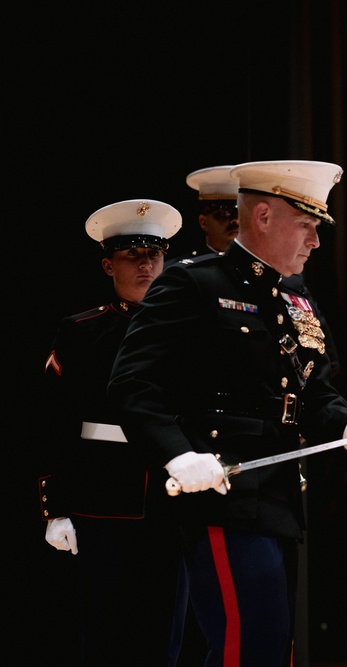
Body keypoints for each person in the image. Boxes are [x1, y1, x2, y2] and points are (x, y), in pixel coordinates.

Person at [108, 160, 347, 666]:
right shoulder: (191, 283)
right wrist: (178, 455)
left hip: (281, 492)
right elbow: (132, 384)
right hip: (221, 491)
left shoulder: (295, 295)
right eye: (306, 225)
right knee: (248, 640)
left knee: (272, 640)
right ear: (262, 216)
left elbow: (316, 390)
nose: (315, 241)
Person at [39, 199, 189, 665]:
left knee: (168, 634)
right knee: (104, 634)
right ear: (108, 264)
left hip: (173, 497)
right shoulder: (83, 331)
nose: (146, 264)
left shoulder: (192, 328)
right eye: (132, 255)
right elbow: (52, 422)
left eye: (155, 254)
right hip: (101, 498)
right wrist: (54, 506)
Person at [180, 165, 240, 259]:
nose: (236, 220)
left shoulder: (261, 268)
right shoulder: (181, 272)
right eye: (225, 212)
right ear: (203, 223)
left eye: (242, 212)